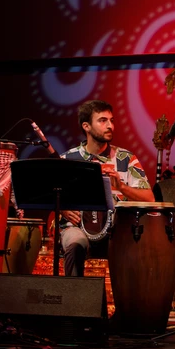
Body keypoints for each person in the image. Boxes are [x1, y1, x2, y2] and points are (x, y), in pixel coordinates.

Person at [59, 99, 154, 276]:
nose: (110, 125)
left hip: (117, 230)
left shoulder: (126, 158)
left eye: (111, 120)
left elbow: (150, 199)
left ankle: (126, 302)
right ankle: (76, 301)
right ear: (86, 126)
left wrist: (123, 188)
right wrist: (63, 208)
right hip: (78, 228)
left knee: (137, 247)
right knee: (75, 244)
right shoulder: (67, 160)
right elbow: (49, 195)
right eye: (103, 120)